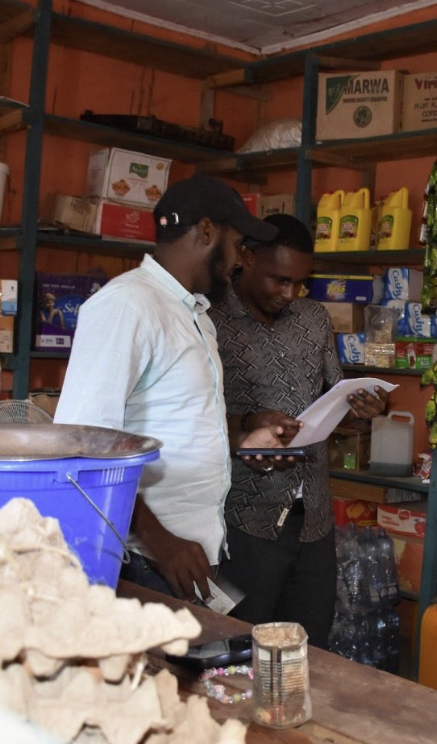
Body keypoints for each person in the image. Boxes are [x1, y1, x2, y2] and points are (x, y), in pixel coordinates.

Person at [53, 175, 287, 601]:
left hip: (187, 554)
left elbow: (179, 417)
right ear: (207, 232)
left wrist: (240, 437)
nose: (240, 261)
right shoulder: (127, 305)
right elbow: (81, 443)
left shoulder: (195, 315)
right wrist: (158, 540)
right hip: (142, 558)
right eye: (238, 244)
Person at [210, 213, 389, 647]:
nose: (289, 294)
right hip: (242, 518)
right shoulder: (211, 322)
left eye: (300, 283)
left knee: (309, 647)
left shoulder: (313, 319)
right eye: (280, 280)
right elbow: (192, 418)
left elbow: (334, 395)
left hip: (314, 518)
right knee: (239, 646)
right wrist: (247, 427)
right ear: (247, 258)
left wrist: (363, 407)